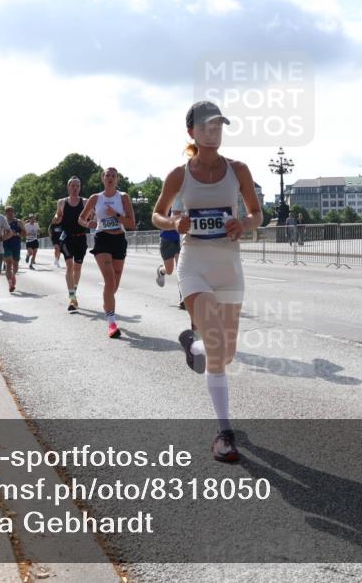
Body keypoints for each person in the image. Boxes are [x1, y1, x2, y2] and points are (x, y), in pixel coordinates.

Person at [153, 101, 262, 462]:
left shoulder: (239, 170)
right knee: (218, 345)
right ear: (192, 133)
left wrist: (243, 224)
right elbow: (157, 214)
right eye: (207, 127)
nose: (214, 133)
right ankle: (224, 432)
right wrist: (175, 223)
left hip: (229, 267)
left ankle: (193, 346)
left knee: (225, 353)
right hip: (194, 265)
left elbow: (257, 213)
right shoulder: (178, 175)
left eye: (219, 127)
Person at [80, 167, 135, 338]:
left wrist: (117, 215)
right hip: (102, 238)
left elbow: (131, 223)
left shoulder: (123, 197)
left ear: (117, 179)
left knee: (114, 284)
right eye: (107, 176)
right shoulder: (96, 198)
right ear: (102, 179)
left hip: (119, 240)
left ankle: (107, 304)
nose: (110, 178)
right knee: (109, 280)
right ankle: (111, 322)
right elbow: (81, 218)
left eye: (113, 176)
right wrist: (87, 223)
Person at [52, 176, 88, 311]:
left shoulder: (85, 202)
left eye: (77, 186)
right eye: (72, 185)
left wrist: (92, 220)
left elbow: (93, 215)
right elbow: (58, 215)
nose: (75, 188)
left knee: (77, 268)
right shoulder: (62, 202)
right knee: (69, 266)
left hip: (80, 238)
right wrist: (56, 218)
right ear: (68, 187)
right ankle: (72, 298)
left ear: (80, 188)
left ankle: (74, 292)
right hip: (67, 237)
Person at [155, 206, 186, 309]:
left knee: (180, 269)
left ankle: (183, 299)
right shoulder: (167, 200)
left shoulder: (186, 198)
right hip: (167, 239)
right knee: (169, 270)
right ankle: (161, 271)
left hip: (181, 239)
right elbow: (158, 218)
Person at [2, 207, 25, 291]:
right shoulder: (2, 223)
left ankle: (13, 275)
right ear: (5, 213)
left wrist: (17, 233)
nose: (10, 214)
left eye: (11, 212)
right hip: (6, 245)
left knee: (15, 266)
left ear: (14, 213)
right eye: (8, 212)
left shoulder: (18, 222)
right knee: (8, 264)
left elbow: (25, 233)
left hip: (16, 246)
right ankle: (10, 284)